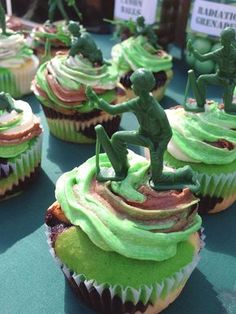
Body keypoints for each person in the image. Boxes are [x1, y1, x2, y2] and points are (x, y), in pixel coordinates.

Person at [86, 68, 196, 191]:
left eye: (134, 85)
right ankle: (122, 168)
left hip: (156, 143)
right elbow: (113, 110)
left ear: (141, 88)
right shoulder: (136, 103)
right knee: (117, 137)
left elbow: (167, 132)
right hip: (143, 136)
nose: (131, 87)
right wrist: (96, 100)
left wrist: (159, 148)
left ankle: (184, 173)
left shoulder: (156, 109)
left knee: (158, 179)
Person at [187, 27, 236, 113]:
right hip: (219, 77)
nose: (220, 40)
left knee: (228, 108)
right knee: (202, 79)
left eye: (223, 39)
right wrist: (193, 50)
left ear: (229, 41)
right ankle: (201, 104)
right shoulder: (219, 52)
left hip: (230, 81)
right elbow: (202, 58)